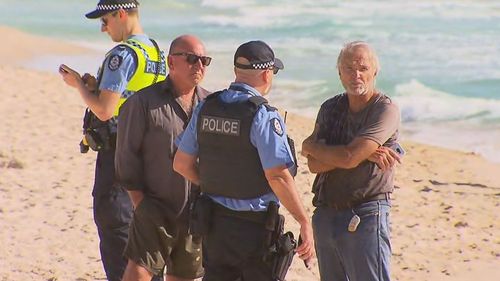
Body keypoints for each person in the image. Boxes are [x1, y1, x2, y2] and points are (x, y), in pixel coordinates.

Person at [173, 40, 315, 281]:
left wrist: (213, 184)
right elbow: (278, 176)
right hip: (254, 229)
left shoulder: (207, 107)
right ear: (267, 74)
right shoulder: (263, 115)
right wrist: (303, 220)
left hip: (214, 224)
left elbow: (181, 164)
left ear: (236, 71)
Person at [58, 1, 167, 280]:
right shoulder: (156, 51)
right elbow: (134, 97)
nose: (103, 28)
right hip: (151, 155)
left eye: (105, 20)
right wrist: (97, 88)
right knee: (146, 243)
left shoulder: (122, 54)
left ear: (121, 14)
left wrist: (80, 87)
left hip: (119, 153)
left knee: (116, 231)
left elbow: (105, 111)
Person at [301, 41, 402, 281]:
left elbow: (347, 158)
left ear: (374, 72)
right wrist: (362, 153)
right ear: (339, 73)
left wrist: (314, 147)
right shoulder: (330, 108)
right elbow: (313, 165)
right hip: (326, 213)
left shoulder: (384, 110)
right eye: (348, 68)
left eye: (363, 68)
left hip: (367, 213)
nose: (356, 75)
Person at [115, 34, 211, 281]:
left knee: (185, 276)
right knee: (140, 271)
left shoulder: (211, 104)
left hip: (195, 211)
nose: (198, 66)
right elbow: (126, 157)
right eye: (191, 59)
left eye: (204, 60)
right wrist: (140, 203)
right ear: (171, 62)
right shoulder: (143, 102)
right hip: (154, 206)